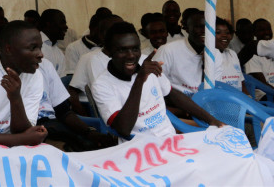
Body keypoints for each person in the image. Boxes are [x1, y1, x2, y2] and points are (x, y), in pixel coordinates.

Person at [91, 22, 224, 142]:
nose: (131, 55)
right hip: (138, 149)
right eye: (122, 50)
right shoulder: (101, 85)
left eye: (135, 49)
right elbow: (123, 129)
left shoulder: (147, 62)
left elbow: (171, 94)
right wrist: (139, 80)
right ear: (108, 51)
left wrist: (212, 120)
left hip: (170, 139)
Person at [154, 10, 223, 97]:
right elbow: (155, 84)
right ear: (186, 29)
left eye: (207, 26)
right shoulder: (168, 50)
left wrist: (207, 68)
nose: (204, 30)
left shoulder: (215, 54)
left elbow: (212, 90)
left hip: (204, 102)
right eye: (198, 27)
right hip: (174, 102)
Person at [68, 14, 122, 114]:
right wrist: (87, 119)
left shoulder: (132, 57)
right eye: (114, 32)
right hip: (99, 110)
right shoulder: (88, 58)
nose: (120, 35)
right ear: (102, 35)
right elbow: (73, 92)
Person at [244, 18, 274, 89]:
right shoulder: (252, 55)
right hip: (266, 93)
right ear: (254, 33)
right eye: (262, 30)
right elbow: (262, 84)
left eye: (269, 29)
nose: (266, 32)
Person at [215, 17, 247, 93]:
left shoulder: (232, 54)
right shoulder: (207, 56)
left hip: (238, 98)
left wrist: (249, 97)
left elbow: (241, 83)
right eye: (218, 32)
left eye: (227, 32)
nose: (224, 35)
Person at [37, 9, 68, 77]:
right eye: (62, 23)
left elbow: (61, 80)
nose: (66, 27)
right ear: (49, 24)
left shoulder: (59, 53)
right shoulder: (33, 46)